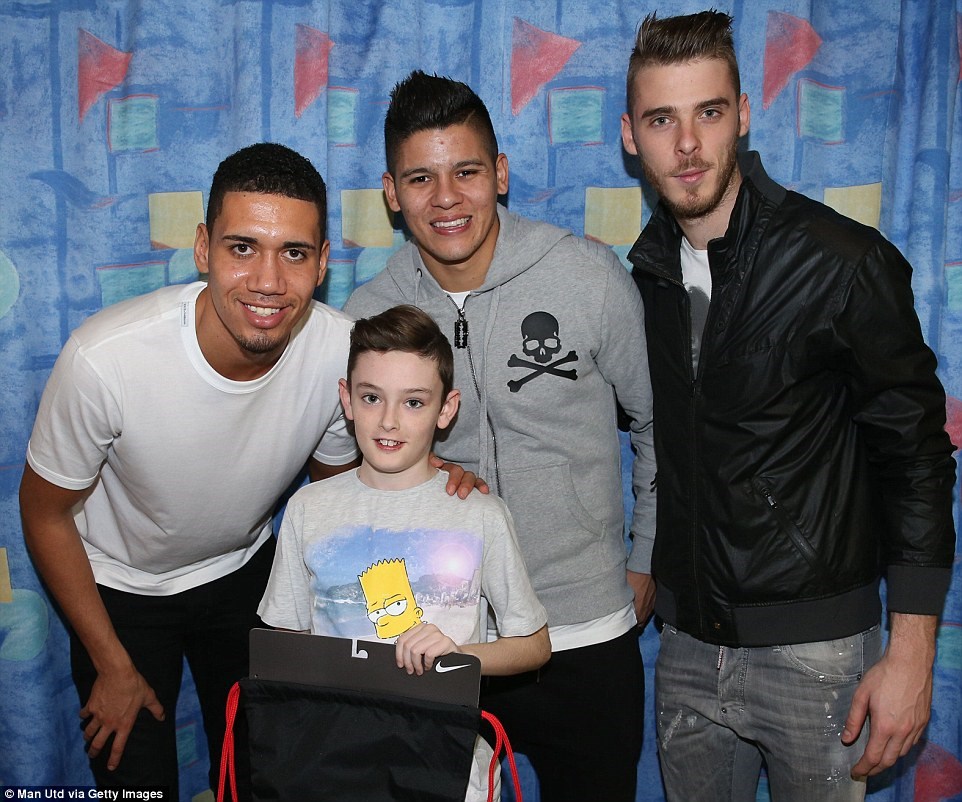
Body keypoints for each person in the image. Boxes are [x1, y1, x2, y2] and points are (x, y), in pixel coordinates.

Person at [19, 143, 475, 798]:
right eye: (242, 248)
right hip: (117, 590)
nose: (268, 280)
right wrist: (112, 665)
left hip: (243, 576)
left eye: (294, 253)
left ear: (322, 262)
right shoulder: (106, 359)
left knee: (265, 773)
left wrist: (431, 484)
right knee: (132, 781)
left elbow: (342, 494)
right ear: (203, 248)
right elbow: (43, 512)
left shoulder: (342, 353)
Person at [621, 11, 957, 801]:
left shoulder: (842, 262)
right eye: (662, 120)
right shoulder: (644, 279)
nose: (688, 145)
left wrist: (912, 652)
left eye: (708, 112)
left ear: (742, 114)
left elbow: (916, 458)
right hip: (685, 649)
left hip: (819, 654)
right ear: (632, 137)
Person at [344, 70, 657, 802]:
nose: (446, 198)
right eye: (420, 178)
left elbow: (656, 425)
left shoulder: (586, 276)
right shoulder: (370, 313)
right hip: (444, 641)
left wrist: (648, 558)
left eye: (467, 172)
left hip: (586, 630)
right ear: (391, 193)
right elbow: (357, 471)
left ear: (501, 174)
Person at [258, 304, 551, 801]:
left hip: (451, 767)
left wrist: (458, 656)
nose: (389, 421)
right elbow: (285, 645)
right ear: (347, 400)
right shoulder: (309, 508)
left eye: (414, 402)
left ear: (446, 409)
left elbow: (534, 645)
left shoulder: (481, 514)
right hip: (335, 764)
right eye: (372, 397)